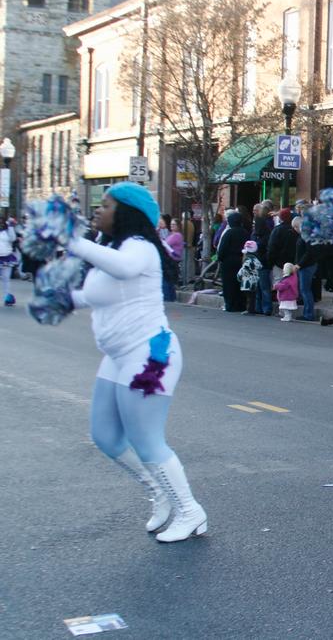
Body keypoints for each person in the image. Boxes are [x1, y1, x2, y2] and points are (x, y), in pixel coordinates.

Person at [65, 182, 206, 543]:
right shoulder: (113, 249)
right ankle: (159, 492)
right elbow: (95, 293)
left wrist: (72, 240)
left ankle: (190, 511)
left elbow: (124, 270)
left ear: (126, 213)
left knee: (147, 441)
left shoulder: (140, 249)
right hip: (118, 356)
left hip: (150, 356)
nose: (98, 209)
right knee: (106, 436)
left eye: (107, 205)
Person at [217, 210, 249, 312]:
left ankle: (230, 305)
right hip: (241, 260)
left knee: (228, 284)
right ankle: (241, 305)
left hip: (228, 262)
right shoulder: (245, 232)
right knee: (239, 283)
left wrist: (220, 259)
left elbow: (222, 249)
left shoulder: (229, 233)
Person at [267, 208, 299, 306]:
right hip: (293, 262)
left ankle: (283, 307)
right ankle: (291, 304)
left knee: (280, 284)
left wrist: (270, 261)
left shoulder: (277, 230)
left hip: (279, 263)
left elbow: (272, 248)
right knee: (292, 285)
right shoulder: (295, 230)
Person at [252, 203, 275, 316]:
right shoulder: (256, 234)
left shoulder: (266, 235)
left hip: (263, 263)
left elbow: (265, 248)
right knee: (259, 287)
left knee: (264, 287)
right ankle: (258, 307)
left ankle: (267, 308)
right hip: (257, 262)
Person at [237, 240, 263, 315]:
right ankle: (252, 309)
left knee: (249, 296)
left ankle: (249, 310)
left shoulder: (248, 260)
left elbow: (243, 269)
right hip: (255, 280)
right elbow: (260, 266)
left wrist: (239, 276)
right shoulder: (256, 259)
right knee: (253, 296)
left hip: (247, 281)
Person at [0, 217, 18, 306]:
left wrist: (11, 226)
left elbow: (13, 238)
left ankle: (7, 297)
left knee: (6, 279)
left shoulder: (8, 231)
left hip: (6, 257)